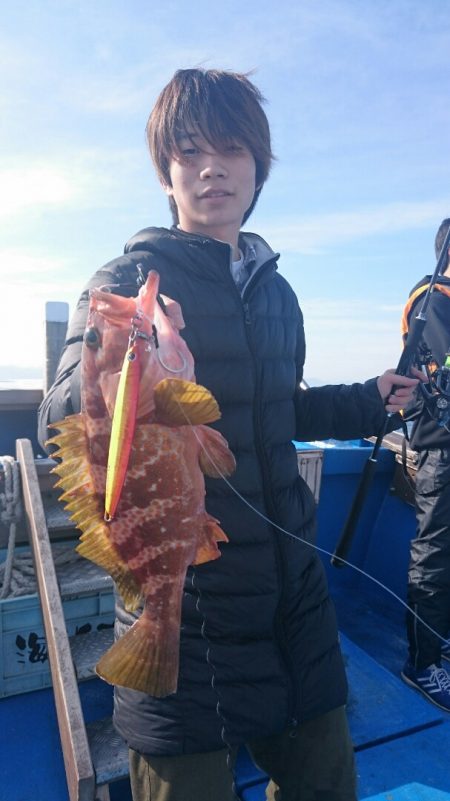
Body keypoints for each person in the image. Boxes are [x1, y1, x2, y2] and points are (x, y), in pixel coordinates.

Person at [38, 68, 419, 801]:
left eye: (232, 148)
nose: (211, 167)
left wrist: (367, 402)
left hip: (294, 603)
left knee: (326, 786)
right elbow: (60, 416)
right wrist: (120, 364)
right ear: (166, 173)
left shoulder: (278, 293)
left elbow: (280, 409)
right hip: (184, 608)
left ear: (258, 168)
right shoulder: (127, 280)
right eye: (189, 152)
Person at [400, 217, 450, 712]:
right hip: (442, 450)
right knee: (433, 554)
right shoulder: (433, 300)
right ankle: (423, 662)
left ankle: (443, 641)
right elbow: (441, 375)